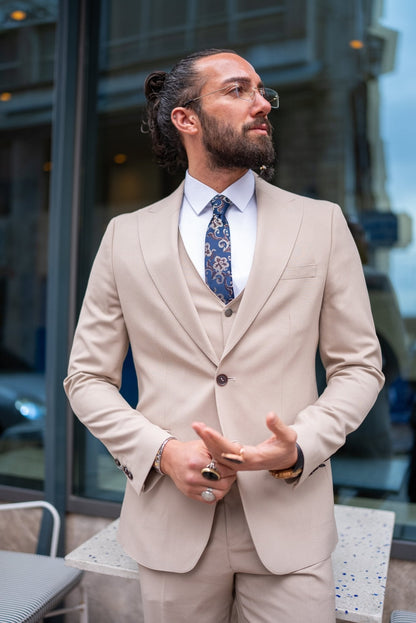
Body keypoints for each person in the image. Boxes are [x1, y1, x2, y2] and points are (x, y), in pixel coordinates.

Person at [64, 49, 384, 623]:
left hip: (290, 522)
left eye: (263, 92)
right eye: (238, 90)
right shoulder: (124, 237)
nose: (262, 104)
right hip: (172, 525)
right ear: (186, 119)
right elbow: (86, 378)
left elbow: (359, 366)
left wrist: (301, 446)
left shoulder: (322, 223)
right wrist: (161, 452)